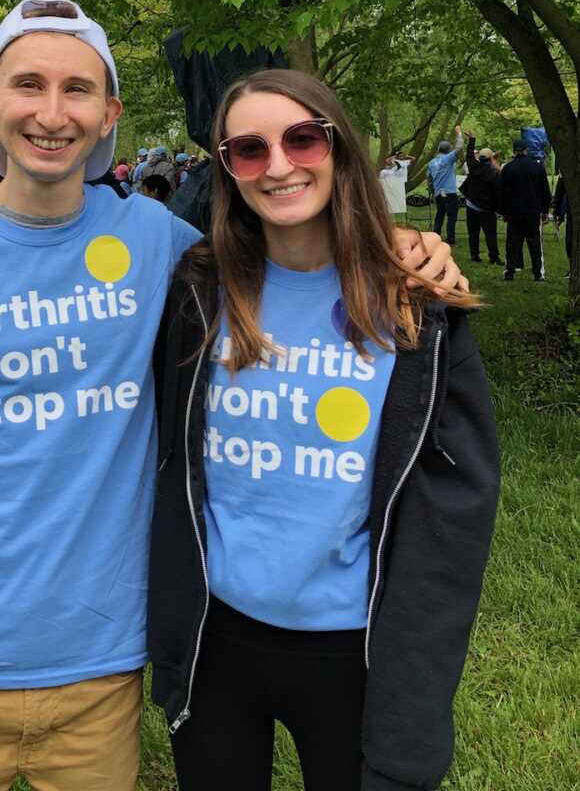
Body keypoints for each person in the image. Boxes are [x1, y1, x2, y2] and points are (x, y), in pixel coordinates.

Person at [0, 0, 467, 791]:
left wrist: (402, 243)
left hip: (102, 672)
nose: (51, 114)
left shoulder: (163, 246)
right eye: (27, 85)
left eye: (78, 91)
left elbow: (292, 236)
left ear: (108, 116)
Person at [148, 69, 499, 791]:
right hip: (216, 640)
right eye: (248, 149)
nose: (278, 165)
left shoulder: (417, 309)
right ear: (226, 170)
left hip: (353, 651)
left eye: (302, 139)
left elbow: (453, 526)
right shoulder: (197, 291)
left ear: (339, 149)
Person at [500, 137, 551, 282]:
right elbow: (545, 191)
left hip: (514, 212)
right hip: (533, 211)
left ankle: (509, 272)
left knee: (512, 243)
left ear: (514, 151)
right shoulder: (537, 167)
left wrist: (504, 212)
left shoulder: (508, 168)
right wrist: (545, 210)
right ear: (526, 150)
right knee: (535, 244)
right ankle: (538, 274)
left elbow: (502, 192)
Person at [461, 134, 502, 265]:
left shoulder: (473, 166)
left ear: (480, 157)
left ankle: (474, 255)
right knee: (490, 234)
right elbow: (497, 192)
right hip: (486, 208)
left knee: (473, 232)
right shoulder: (494, 173)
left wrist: (472, 140)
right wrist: (500, 209)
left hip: (470, 205)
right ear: (491, 158)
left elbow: (469, 155)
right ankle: (493, 257)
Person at [427, 126, 464, 244]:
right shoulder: (448, 159)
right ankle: (450, 239)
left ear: (438, 150)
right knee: (452, 216)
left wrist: (433, 192)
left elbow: (429, 180)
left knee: (440, 214)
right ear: (448, 151)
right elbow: (459, 147)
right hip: (450, 192)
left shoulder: (431, 163)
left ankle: (436, 237)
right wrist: (459, 134)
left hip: (439, 193)